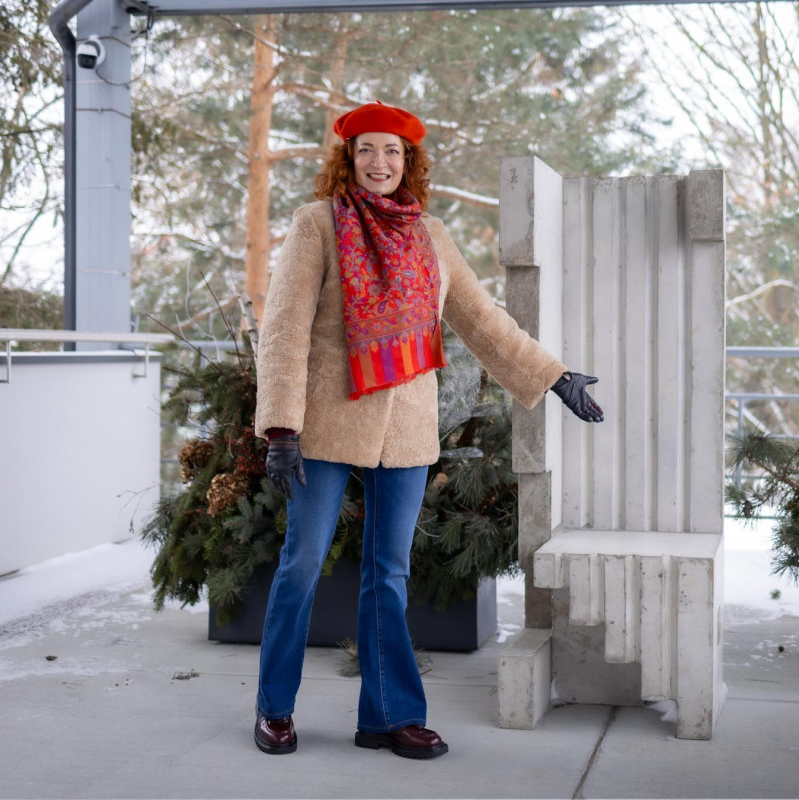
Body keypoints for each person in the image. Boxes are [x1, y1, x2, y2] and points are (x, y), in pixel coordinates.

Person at [252, 100, 603, 760]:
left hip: (406, 428)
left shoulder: (430, 235)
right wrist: (280, 428)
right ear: (348, 159)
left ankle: (389, 717)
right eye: (366, 149)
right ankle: (274, 707)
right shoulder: (317, 225)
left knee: (387, 575)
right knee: (301, 565)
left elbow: (483, 319)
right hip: (324, 423)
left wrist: (553, 376)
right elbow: (284, 329)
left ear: (408, 161)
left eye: (392, 151)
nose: (379, 161)